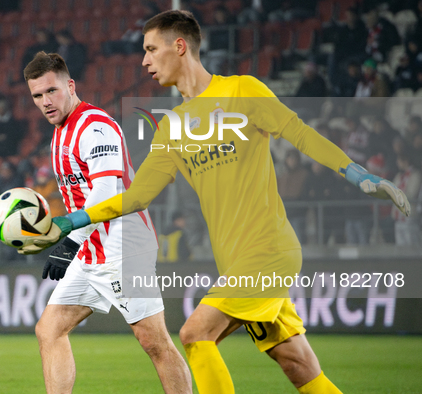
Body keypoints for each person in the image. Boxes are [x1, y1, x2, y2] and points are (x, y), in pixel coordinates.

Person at [25, 11, 411, 394]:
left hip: (269, 250)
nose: (143, 60)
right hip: (235, 260)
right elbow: (137, 196)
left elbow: (300, 133)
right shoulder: (171, 126)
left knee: (195, 334)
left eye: (150, 49)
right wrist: (71, 223)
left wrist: (356, 173)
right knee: (299, 367)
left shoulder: (243, 90)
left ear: (179, 47)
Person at [22, 52, 192, 393]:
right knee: (49, 329)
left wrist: (69, 241)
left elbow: (104, 191)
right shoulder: (60, 133)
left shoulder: (94, 127)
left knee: (153, 341)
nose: (45, 102)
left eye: (52, 91)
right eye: (37, 96)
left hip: (124, 246)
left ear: (70, 86)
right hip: (93, 249)